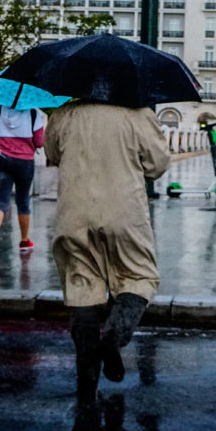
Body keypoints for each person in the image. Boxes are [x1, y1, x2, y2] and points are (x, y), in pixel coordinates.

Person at [44, 100, 171, 403]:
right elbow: (157, 165)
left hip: (74, 212)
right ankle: (113, 337)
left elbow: (52, 155)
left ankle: (86, 378)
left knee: (82, 287)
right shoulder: (138, 113)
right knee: (139, 276)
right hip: (124, 212)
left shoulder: (63, 114)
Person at [0, 105, 44, 258]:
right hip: (24, 162)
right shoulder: (33, 113)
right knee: (23, 200)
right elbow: (39, 142)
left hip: (2, 159)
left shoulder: (0, 110)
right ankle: (24, 241)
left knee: (1, 201)